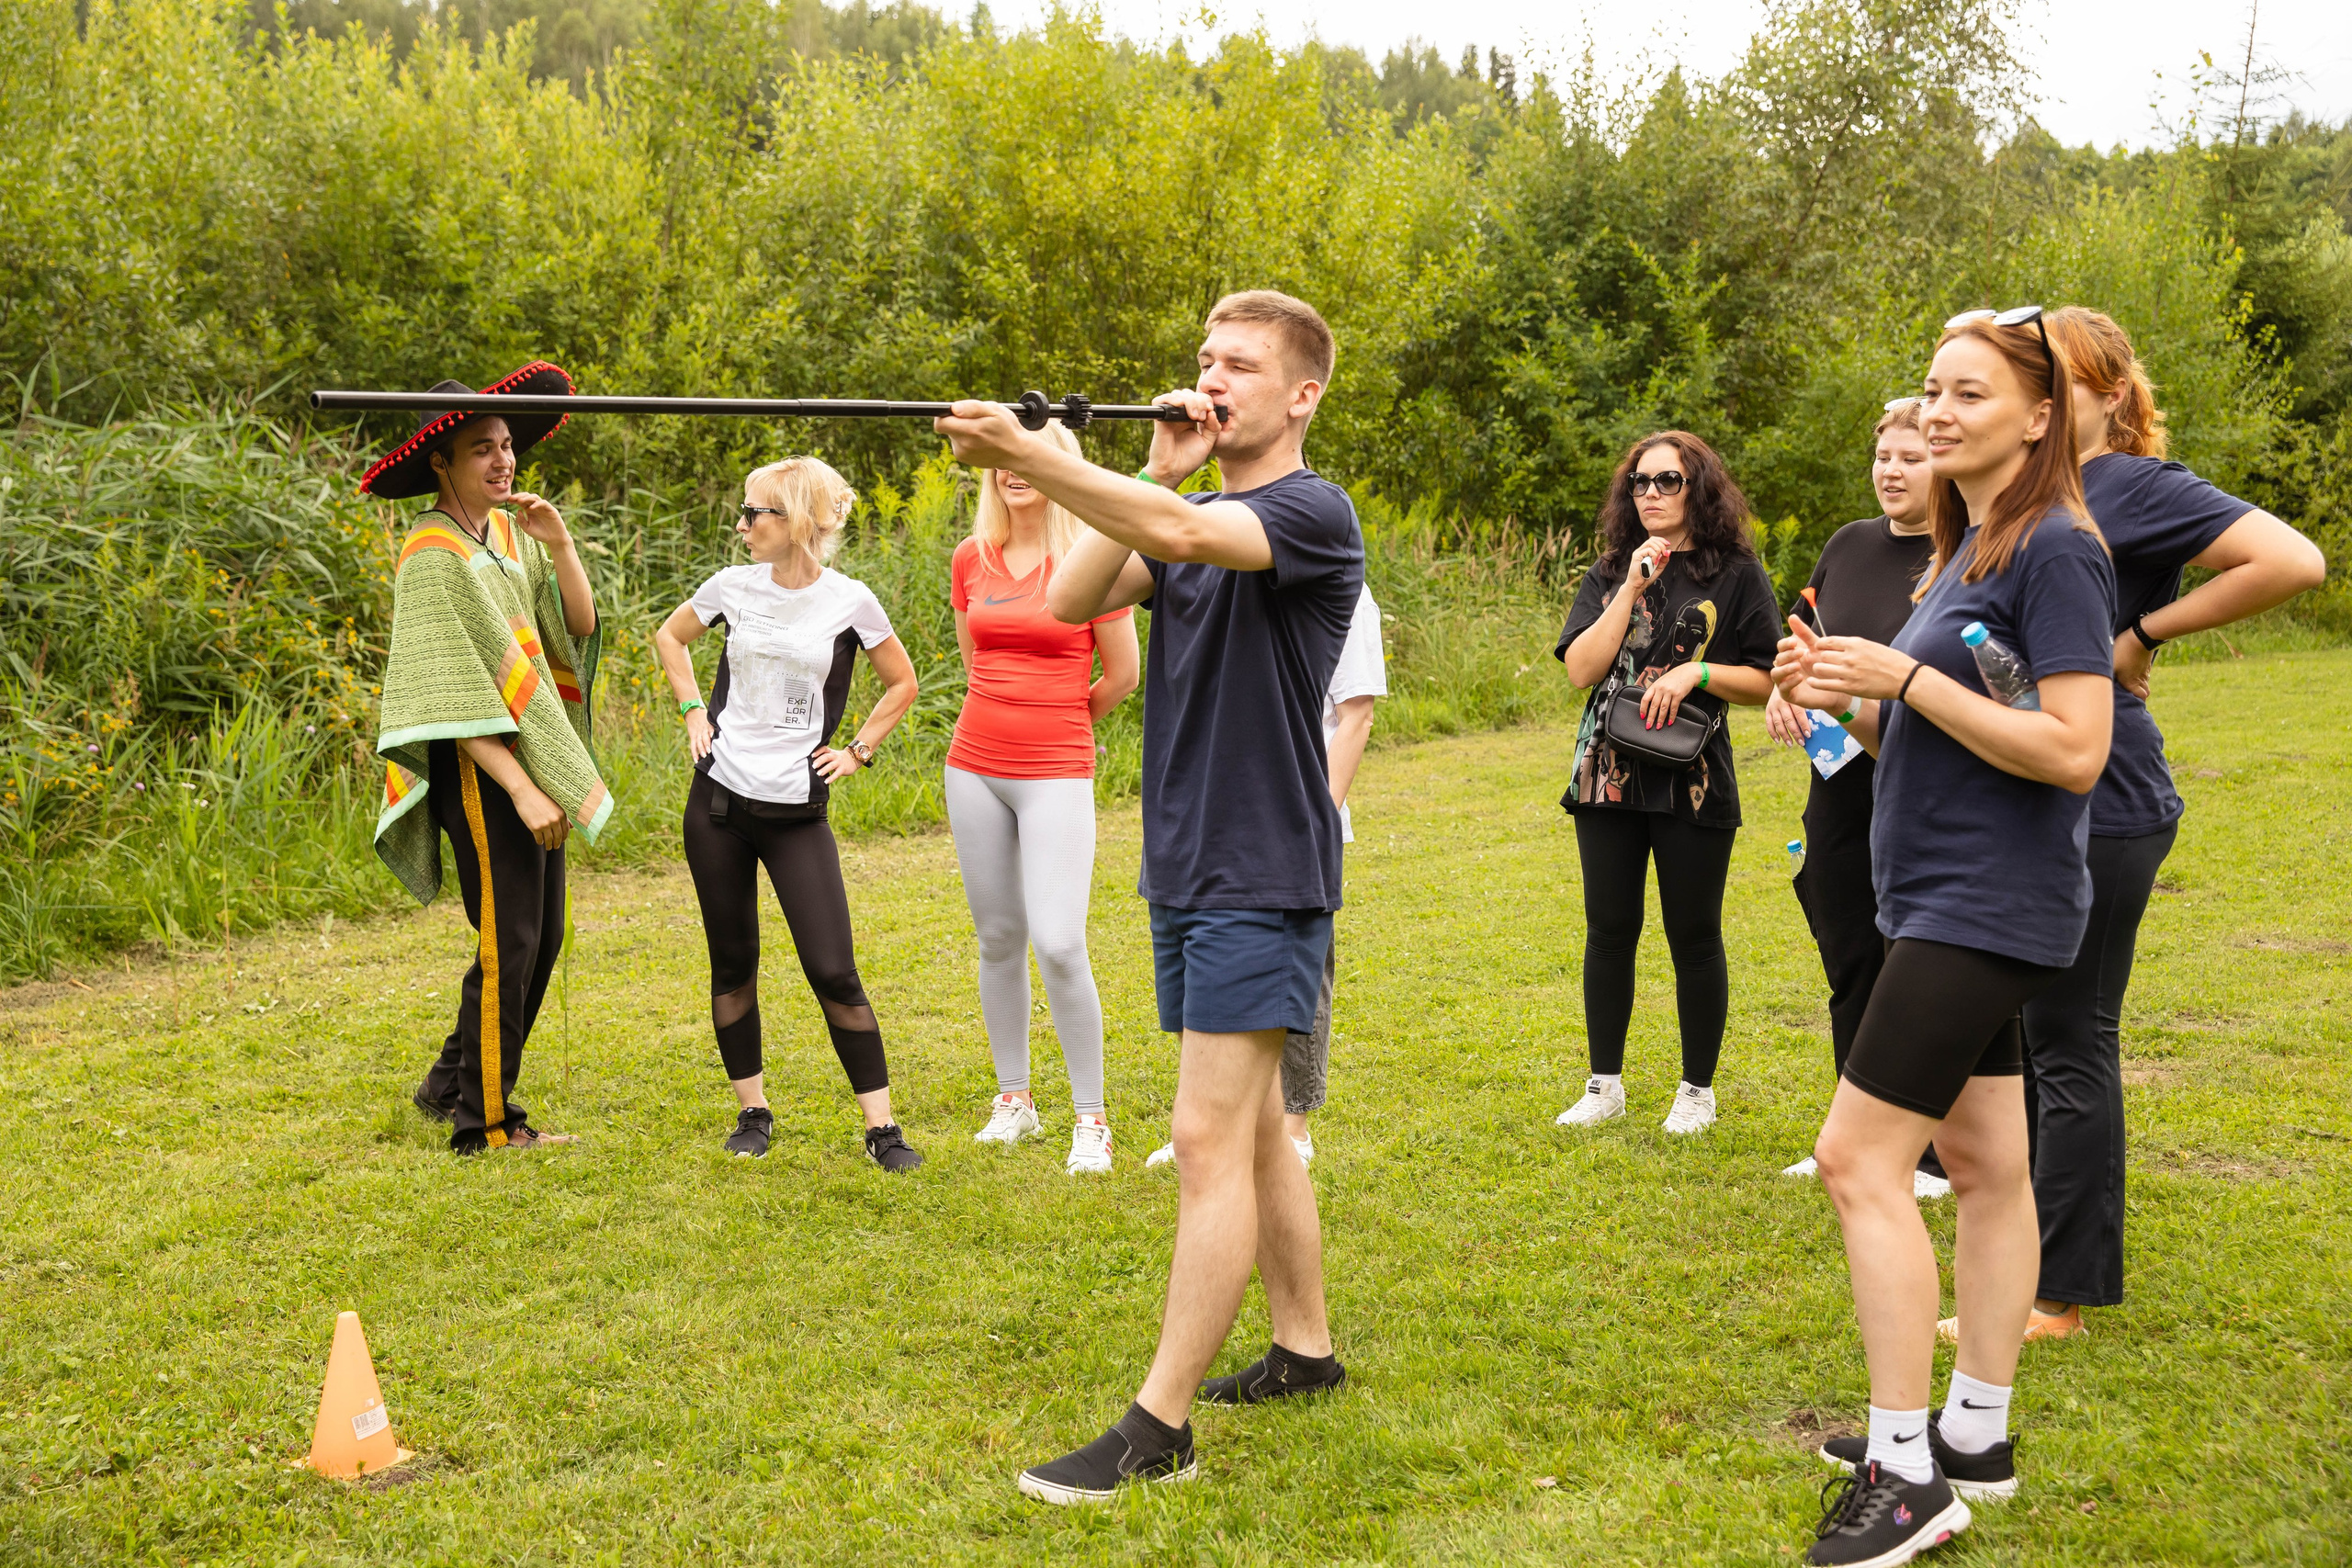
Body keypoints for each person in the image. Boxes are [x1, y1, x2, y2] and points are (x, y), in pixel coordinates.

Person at [934, 289, 1361, 1504]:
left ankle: (1156, 1423)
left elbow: (1175, 537)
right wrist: (1142, 461)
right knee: (1262, 1124)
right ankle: (1305, 1349)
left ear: (1302, 395)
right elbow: (1071, 601)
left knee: (1205, 1136)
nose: (1213, 378)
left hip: (1261, 868)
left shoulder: (1306, 512)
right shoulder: (1189, 502)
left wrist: (1033, 457)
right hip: (1188, 857)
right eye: (1204, 359)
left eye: (1242, 365)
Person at [1775, 307, 2117, 1564]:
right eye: (1930, 388)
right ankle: (1976, 1428)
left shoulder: (2059, 551)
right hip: (1937, 889)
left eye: (1969, 393)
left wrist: (1905, 677)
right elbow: (1948, 734)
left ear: (2039, 416)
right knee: (1984, 1162)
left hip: (1991, 902)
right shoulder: (1972, 545)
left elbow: (2076, 749)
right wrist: (1853, 701)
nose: (1937, 410)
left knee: (1858, 1159)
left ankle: (1905, 1468)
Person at [1961, 306, 2324, 1343]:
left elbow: (2292, 560)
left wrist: (2142, 631)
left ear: (2109, 395)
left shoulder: (2134, 484)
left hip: (2105, 793)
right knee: (2032, 1031)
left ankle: (2057, 1297)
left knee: (2071, 1036)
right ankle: (2026, 1253)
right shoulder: (2036, 494)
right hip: (2027, 785)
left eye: (2059, 384)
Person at [651, 457, 925, 1171]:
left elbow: (903, 682)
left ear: (797, 522)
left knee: (834, 970)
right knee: (733, 962)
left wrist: (860, 749)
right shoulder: (730, 587)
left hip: (798, 811)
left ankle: (882, 1129)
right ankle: (754, 1109)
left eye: (755, 513)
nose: (741, 525)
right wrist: (690, 713)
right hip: (719, 804)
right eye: (743, 511)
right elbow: (669, 637)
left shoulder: (850, 600)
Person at [367, 361, 610, 1155]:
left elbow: (577, 621)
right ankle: (488, 1125)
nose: (503, 460)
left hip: (532, 754)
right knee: (510, 943)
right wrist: (522, 789)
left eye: (506, 445)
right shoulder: (431, 555)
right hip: (482, 770)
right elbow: (442, 694)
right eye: (482, 449)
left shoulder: (507, 534)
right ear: (441, 462)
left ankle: (448, 1086)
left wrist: (560, 542)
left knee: (541, 936)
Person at [1552, 432, 1781, 1134]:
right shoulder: (1614, 568)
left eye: (1668, 481)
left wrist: (1697, 672)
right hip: (1608, 772)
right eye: (1640, 483)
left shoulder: (1736, 571)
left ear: (1698, 488)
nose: (1650, 493)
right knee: (1609, 929)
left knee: (1694, 933)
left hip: (1694, 775)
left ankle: (1696, 1089)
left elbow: (1768, 674)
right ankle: (1605, 1084)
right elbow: (1582, 670)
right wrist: (1630, 587)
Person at [1766, 400, 1951, 1199]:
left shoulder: (1965, 552)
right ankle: (1855, 1133)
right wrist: (1785, 688)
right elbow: (1800, 635)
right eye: (1883, 455)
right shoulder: (1847, 544)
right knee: (1850, 958)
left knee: (1921, 972)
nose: (1892, 469)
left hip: (1926, 793)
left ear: (1945, 462)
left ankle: (1938, 1156)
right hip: (1838, 787)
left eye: (1911, 456)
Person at [949, 423, 1140, 1174]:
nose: (1012, 473)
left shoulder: (1092, 555)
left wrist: (1058, 722)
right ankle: (1015, 1101)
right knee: (999, 937)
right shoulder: (971, 557)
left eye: (1030, 460)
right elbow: (975, 662)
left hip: (1057, 769)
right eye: (1002, 461)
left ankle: (1092, 1118)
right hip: (973, 766)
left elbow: (1122, 675)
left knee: (1060, 943)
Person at [1148, 582, 1386, 1171]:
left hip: (1299, 826)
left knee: (1298, 979)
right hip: (1210, 823)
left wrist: (1313, 820)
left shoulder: (1343, 590)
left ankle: (1293, 1127)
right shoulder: (1215, 577)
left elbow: (1356, 715)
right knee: (1204, 969)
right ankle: (1211, 1119)